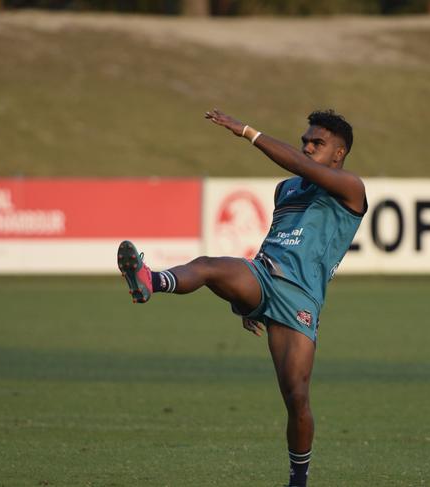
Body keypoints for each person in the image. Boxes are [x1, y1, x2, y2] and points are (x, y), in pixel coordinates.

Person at [118, 108, 367, 487]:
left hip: (301, 299)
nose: (308, 146)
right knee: (208, 265)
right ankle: (149, 280)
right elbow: (276, 237)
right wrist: (248, 301)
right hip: (264, 275)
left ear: (339, 153)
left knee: (297, 397)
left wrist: (247, 132)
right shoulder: (286, 189)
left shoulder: (351, 188)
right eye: (305, 141)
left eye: (318, 142)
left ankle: (298, 481)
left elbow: (302, 166)